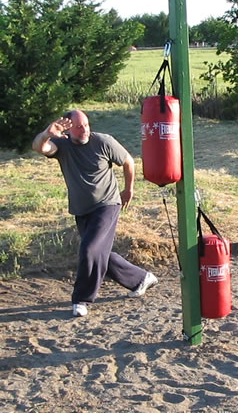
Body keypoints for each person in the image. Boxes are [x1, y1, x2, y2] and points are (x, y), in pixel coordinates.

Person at [32, 109, 158, 317]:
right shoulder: (61, 145)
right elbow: (40, 147)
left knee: (89, 250)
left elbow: (128, 161)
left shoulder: (103, 141)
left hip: (107, 204)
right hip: (81, 209)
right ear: (68, 128)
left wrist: (128, 190)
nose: (85, 130)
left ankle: (81, 299)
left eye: (87, 125)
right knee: (99, 253)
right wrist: (47, 133)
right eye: (79, 127)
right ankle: (141, 278)